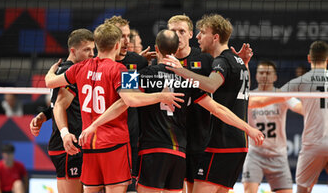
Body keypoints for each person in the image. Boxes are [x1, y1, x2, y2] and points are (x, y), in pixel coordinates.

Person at [78, 29, 264, 193]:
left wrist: (94, 125)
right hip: (178, 154)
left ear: (156, 49)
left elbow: (124, 102)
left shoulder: (139, 75)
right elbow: (218, 109)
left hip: (151, 151)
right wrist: (249, 129)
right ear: (176, 51)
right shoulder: (188, 79)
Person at [44, 23, 185, 193]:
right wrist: (161, 96)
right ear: (117, 45)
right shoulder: (123, 70)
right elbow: (131, 100)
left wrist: (51, 71)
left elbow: (50, 82)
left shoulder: (80, 67)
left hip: (89, 144)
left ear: (96, 45)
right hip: (114, 144)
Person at [163, 13, 254, 193]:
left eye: (182, 31)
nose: (198, 36)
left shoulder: (210, 60)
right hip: (172, 138)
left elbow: (212, 85)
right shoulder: (233, 61)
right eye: (173, 31)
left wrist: (181, 71)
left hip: (211, 140)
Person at [249, 41, 328, 193]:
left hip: (313, 144)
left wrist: (242, 101)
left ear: (309, 59)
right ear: (327, 59)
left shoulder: (301, 81)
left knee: (303, 190)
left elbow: (264, 100)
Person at [29, 28, 95, 193]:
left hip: (72, 142)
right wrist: (65, 133)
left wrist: (44, 115)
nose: (92, 54)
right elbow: (59, 105)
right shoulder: (68, 71)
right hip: (67, 143)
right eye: (87, 49)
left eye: (93, 49)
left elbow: (59, 103)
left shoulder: (71, 70)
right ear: (73, 51)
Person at [242, 60, 303, 193]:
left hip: (278, 156)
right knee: (249, 190)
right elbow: (253, 102)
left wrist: (317, 104)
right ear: (256, 76)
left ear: (275, 77)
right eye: (261, 72)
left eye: (268, 73)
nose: (264, 76)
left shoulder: (282, 95)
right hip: (255, 154)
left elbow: (301, 108)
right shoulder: (250, 96)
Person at [105, 16, 149, 193]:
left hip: (128, 140)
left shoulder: (134, 63)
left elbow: (129, 100)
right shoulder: (93, 63)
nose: (126, 41)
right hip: (100, 140)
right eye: (121, 36)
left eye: (128, 36)